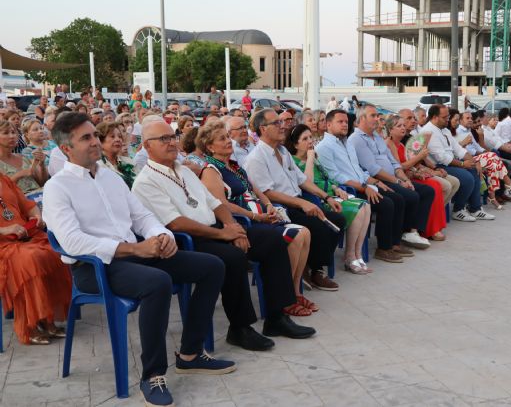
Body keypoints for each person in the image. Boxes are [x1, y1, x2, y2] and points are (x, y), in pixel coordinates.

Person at [43, 112, 234, 407]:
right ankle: (153, 375)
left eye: (95, 135)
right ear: (67, 149)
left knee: (211, 266)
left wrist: (161, 236)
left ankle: (190, 354)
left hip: (137, 255)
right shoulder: (58, 187)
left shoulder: (110, 177)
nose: (95, 142)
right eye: (86, 138)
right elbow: (72, 242)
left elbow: (142, 216)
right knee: (158, 282)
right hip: (95, 267)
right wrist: (134, 249)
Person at [132, 120, 316, 345]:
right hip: (189, 241)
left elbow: (216, 203)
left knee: (271, 239)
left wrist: (232, 227)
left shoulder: (184, 171)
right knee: (233, 257)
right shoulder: (146, 181)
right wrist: (223, 235)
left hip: (216, 229)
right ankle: (240, 328)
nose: (171, 142)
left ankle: (277, 316)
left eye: (172, 137)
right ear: (146, 146)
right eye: (163, 139)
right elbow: (176, 223)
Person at [195, 122, 317, 315]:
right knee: (296, 235)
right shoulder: (211, 170)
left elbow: (256, 190)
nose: (229, 141)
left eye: (228, 136)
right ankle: (285, 299)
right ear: (209, 147)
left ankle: (294, 292)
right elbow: (221, 203)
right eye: (222, 139)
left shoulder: (234, 166)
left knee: (305, 233)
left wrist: (268, 205)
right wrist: (255, 216)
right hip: (246, 223)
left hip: (262, 216)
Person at [244, 109, 346, 291]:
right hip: (280, 207)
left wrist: (327, 197)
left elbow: (302, 180)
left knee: (337, 219)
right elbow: (267, 192)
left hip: (297, 201)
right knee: (317, 226)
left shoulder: (282, 151)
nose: (282, 126)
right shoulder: (256, 157)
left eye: (281, 122)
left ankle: (313, 268)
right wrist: (302, 203)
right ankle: (311, 270)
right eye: (276, 123)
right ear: (263, 129)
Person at [286, 124, 372, 274]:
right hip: (316, 200)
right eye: (305, 139)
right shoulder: (293, 161)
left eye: (310, 137)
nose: (310, 141)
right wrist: (310, 159)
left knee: (366, 205)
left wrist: (336, 188)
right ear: (295, 144)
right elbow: (307, 182)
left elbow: (327, 177)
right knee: (358, 209)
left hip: (329, 195)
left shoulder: (314, 158)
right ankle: (349, 256)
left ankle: (357, 254)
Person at [348, 104, 434, 249]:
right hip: (377, 180)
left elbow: (394, 163)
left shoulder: (376, 136)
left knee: (426, 191)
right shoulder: (357, 139)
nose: (377, 118)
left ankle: (410, 231)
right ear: (362, 118)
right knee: (405, 197)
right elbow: (373, 169)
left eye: (377, 115)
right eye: (373, 116)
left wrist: (405, 179)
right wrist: (398, 181)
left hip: (393, 177)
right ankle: (393, 242)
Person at [0, 173, 71, 345]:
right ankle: (29, 325)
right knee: (30, 260)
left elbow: (28, 205)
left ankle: (47, 319)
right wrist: (5, 230)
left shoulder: (4, 179)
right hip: (3, 245)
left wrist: (37, 217)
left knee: (54, 253)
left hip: (24, 237)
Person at [422, 104, 495, 222]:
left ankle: (475, 209)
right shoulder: (428, 131)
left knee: (474, 169)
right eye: (445, 117)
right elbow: (442, 158)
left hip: (450, 162)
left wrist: (473, 161)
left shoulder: (444, 130)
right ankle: (458, 210)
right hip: (438, 166)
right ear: (435, 117)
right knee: (467, 177)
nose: (448, 119)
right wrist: (462, 164)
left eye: (448, 116)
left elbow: (458, 149)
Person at [385, 116, 447, 241]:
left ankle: (432, 227)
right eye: (399, 126)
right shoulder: (389, 143)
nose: (403, 128)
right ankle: (424, 229)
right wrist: (419, 157)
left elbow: (411, 165)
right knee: (432, 187)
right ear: (390, 130)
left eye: (403, 125)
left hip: (409, 175)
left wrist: (421, 171)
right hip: (400, 178)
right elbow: (400, 167)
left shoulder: (401, 144)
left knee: (436, 185)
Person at [452, 111, 511, 209]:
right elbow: (469, 152)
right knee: (492, 158)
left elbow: (478, 147)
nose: (470, 120)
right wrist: (486, 154)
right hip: (467, 159)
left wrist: (486, 152)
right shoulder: (459, 132)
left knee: (493, 163)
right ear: (460, 121)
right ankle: (507, 184)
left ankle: (493, 197)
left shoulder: (468, 131)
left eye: (470, 118)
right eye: (467, 118)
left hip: (474, 156)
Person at [482, 114, 511, 200]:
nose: (488, 118)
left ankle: (504, 190)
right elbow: (492, 143)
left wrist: (509, 145)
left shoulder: (488, 129)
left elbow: (499, 139)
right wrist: (507, 147)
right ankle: (500, 192)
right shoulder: (482, 130)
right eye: (486, 117)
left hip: (498, 149)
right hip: (496, 150)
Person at [0, 120, 48, 195]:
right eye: (6, 133)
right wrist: (19, 175)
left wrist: (42, 165)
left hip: (39, 197)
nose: (12, 136)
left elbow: (42, 183)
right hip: (17, 203)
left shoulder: (22, 157)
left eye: (13, 132)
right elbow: (3, 192)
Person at [96, 122, 137, 188]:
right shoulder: (97, 167)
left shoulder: (128, 161)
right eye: (112, 136)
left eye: (120, 136)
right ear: (100, 141)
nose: (118, 139)